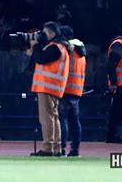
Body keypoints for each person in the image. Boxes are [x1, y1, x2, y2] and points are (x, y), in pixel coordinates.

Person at [30, 22, 70, 156]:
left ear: (52, 33)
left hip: (47, 86)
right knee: (54, 118)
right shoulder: (61, 46)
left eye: (44, 33)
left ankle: (48, 147)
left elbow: (41, 59)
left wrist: (35, 46)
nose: (42, 35)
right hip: (54, 87)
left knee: (46, 118)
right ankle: (56, 147)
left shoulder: (54, 47)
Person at [58, 26, 86, 157]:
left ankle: (61, 148)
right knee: (75, 121)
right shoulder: (81, 49)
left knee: (62, 119)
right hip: (77, 89)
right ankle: (75, 149)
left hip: (65, 88)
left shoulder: (67, 49)